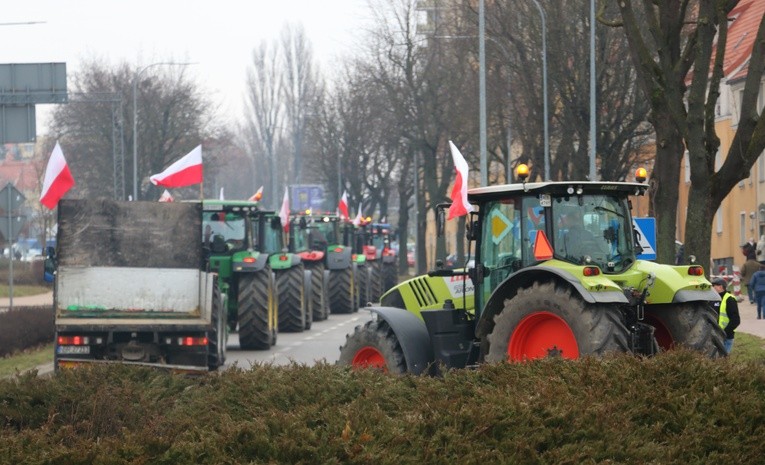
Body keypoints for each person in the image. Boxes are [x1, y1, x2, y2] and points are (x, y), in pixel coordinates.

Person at [711, 277, 740, 354]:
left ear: (720, 287)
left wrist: (724, 333)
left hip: (726, 337)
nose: (712, 288)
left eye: (714, 286)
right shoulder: (712, 298)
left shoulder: (730, 299)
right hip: (714, 336)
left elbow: (735, 320)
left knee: (723, 360)